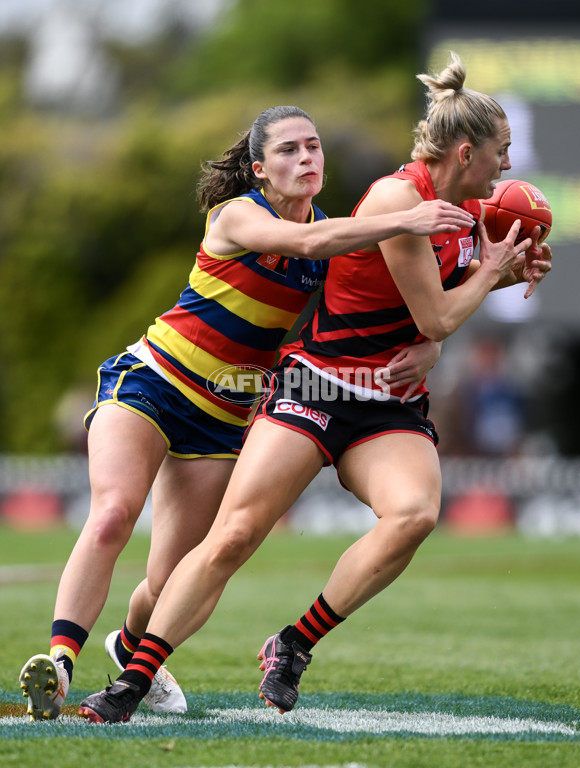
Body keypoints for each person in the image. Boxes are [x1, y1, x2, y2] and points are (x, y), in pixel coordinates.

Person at [76, 52, 552, 724]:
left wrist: (506, 270)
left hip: (386, 400)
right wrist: (476, 287)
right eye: (501, 151)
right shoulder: (399, 199)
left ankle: (293, 644)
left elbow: (437, 311)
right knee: (235, 535)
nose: (508, 165)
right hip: (320, 382)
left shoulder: (474, 213)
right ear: (467, 151)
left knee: (415, 514)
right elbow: (437, 312)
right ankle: (130, 680)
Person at [18, 105, 473, 721]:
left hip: (225, 416)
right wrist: (408, 217)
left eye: (313, 146)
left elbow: (384, 293)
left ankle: (131, 651)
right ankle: (60, 664)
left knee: (166, 581)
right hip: (154, 380)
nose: (306, 158)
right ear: (259, 169)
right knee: (113, 514)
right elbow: (313, 240)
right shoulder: (238, 215)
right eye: (288, 150)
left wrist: (437, 335)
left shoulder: (334, 238)